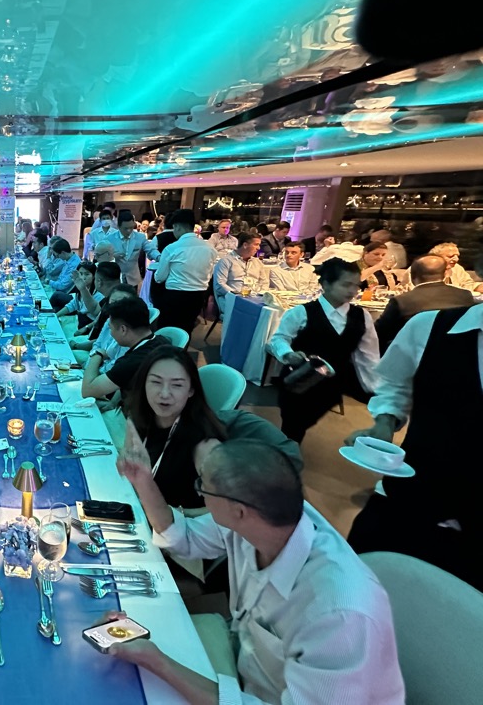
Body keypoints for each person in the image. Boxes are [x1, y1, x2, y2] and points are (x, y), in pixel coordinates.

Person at [110, 438, 404, 704]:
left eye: (203, 487)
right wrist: (143, 480)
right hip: (243, 665)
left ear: (238, 510)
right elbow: (183, 538)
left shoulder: (339, 615)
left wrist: (160, 663)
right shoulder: (262, 518)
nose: (199, 494)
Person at [346, 299, 483, 589]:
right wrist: (385, 421)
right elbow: (394, 382)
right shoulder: (430, 326)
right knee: (361, 587)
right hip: (412, 496)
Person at [122, 344, 300, 510]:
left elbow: (225, 509)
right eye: (156, 382)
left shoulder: (202, 443)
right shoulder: (140, 417)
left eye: (177, 385)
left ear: (191, 390)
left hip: (178, 526)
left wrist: (178, 516)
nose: (164, 393)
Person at [268, 258, 379, 443]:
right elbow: (279, 338)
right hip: (299, 381)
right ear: (326, 284)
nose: (352, 291)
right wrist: (288, 353)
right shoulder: (301, 312)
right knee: (293, 427)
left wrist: (377, 391)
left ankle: (286, 450)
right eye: (346, 285)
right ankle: (285, 453)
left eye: (356, 285)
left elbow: (368, 357)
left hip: (332, 387)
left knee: (302, 424)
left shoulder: (362, 316)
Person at [374, 254, 475, 353]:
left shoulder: (402, 301)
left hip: (414, 356)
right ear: (445, 274)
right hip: (459, 354)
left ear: (412, 275)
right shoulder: (465, 295)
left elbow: (378, 334)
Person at [81, 297, 167, 404]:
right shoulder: (161, 341)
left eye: (111, 328)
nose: (111, 333)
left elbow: (87, 391)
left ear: (123, 329)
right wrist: (113, 403)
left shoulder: (133, 361)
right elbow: (124, 379)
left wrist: (97, 354)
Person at [153, 210, 219, 334]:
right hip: (198, 296)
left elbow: (159, 277)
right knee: (187, 328)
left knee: (167, 329)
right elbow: (210, 273)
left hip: (175, 296)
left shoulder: (172, 248)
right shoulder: (210, 249)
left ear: (177, 227)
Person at [213, 233, 265, 308]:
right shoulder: (226, 261)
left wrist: (259, 295)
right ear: (245, 245)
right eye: (256, 244)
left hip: (255, 300)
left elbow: (264, 282)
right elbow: (219, 285)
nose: (259, 248)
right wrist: (237, 295)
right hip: (233, 300)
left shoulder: (257, 263)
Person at [109, 209, 153, 288]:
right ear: (119, 226)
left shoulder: (140, 237)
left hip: (133, 278)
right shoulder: (110, 238)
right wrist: (113, 256)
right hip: (115, 277)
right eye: (126, 228)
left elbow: (151, 250)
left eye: (131, 227)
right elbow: (102, 255)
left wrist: (159, 257)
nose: (129, 231)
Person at [56, 260, 100, 330]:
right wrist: (56, 315)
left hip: (89, 326)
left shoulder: (98, 294)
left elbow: (98, 318)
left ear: (94, 275)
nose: (83, 277)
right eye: (81, 274)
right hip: (80, 320)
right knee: (54, 311)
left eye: (87, 274)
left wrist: (85, 328)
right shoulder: (81, 288)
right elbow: (73, 304)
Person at [45, 237, 82, 309]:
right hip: (59, 290)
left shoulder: (74, 265)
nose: (58, 257)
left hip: (65, 295)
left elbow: (62, 286)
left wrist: (49, 282)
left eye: (57, 255)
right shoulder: (68, 260)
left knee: (43, 299)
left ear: (63, 253)